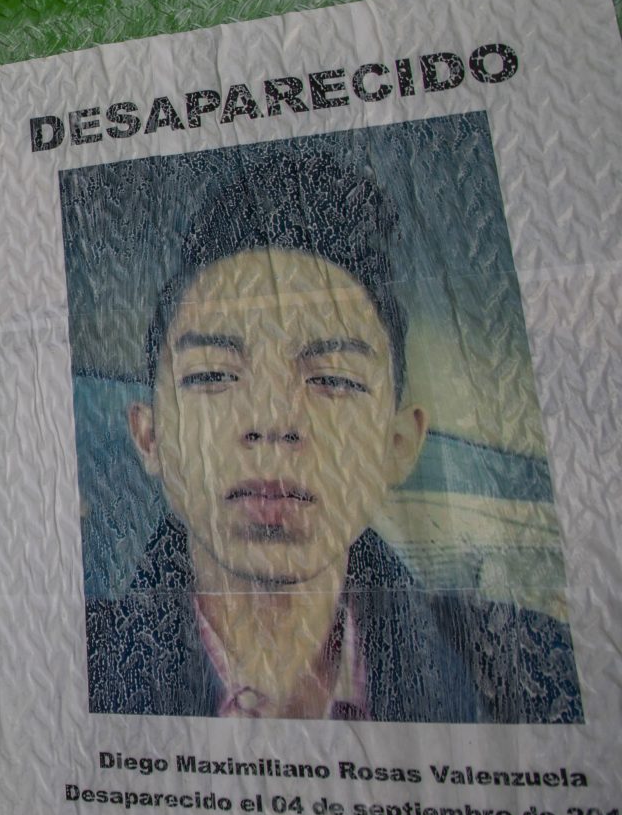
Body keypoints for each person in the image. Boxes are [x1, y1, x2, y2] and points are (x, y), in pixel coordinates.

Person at [86, 149, 582, 723]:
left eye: (333, 379)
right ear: (149, 436)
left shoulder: (537, 673)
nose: (273, 422)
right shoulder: (67, 670)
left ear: (398, 444)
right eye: (213, 375)